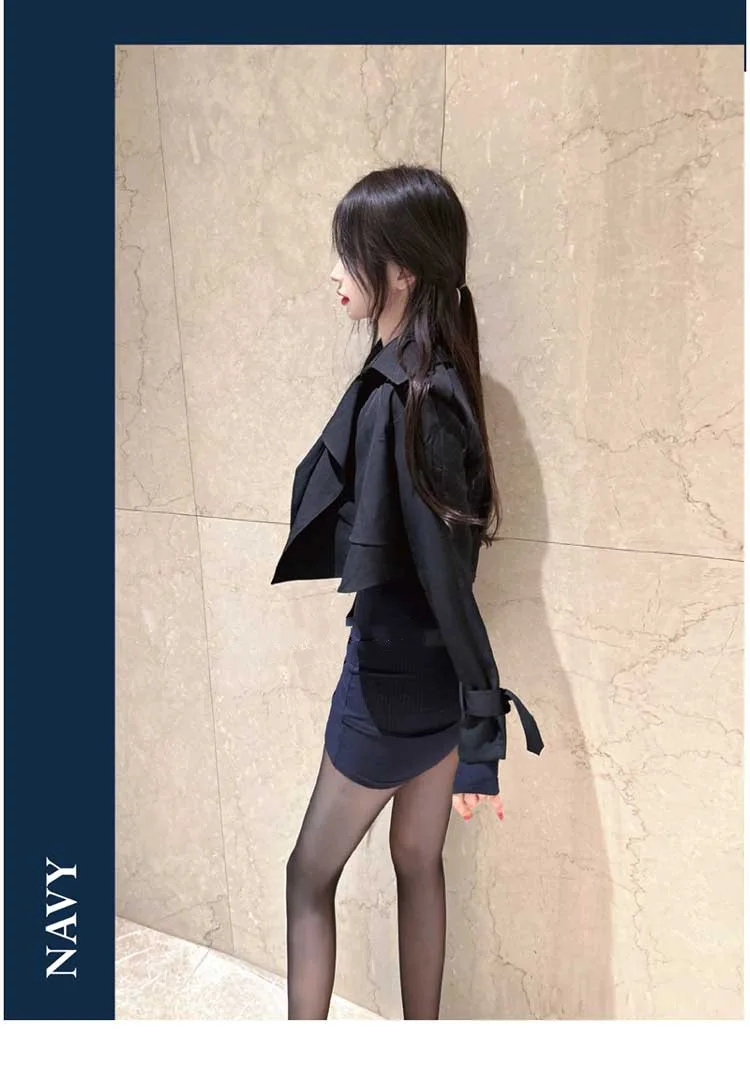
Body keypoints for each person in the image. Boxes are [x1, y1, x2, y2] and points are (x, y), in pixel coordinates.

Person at [270, 164, 544, 1020]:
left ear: (399, 270)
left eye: (348, 253)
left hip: (389, 688)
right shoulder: (436, 379)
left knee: (307, 875)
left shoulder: (408, 396)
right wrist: (471, 720)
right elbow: (448, 569)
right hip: (433, 690)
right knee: (417, 862)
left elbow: (443, 576)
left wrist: (483, 736)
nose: (334, 272)